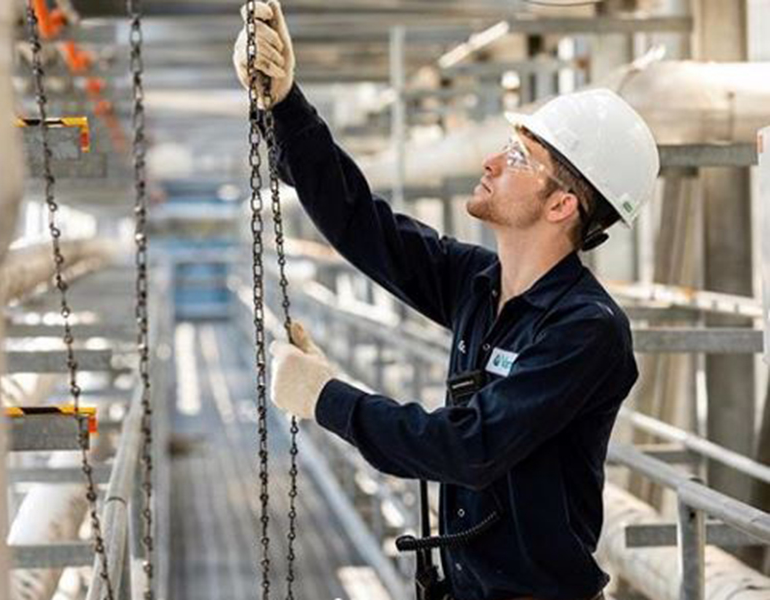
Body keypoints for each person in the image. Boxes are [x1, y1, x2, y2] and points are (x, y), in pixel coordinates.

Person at [233, 3, 659, 599]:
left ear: (562, 205)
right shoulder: (479, 284)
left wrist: (325, 397)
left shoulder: (586, 331)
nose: (491, 161)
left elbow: (468, 448)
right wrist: (283, 106)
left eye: (517, 158)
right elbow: (363, 224)